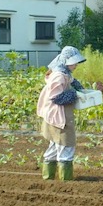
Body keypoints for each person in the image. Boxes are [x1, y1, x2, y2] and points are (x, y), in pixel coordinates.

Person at [36, 46, 87, 181]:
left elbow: (72, 81)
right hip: (58, 116)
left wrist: (81, 89)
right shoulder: (58, 76)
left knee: (54, 145)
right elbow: (56, 97)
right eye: (74, 62)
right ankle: (66, 181)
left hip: (54, 116)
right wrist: (74, 94)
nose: (76, 65)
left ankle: (48, 178)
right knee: (66, 145)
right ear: (65, 61)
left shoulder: (64, 73)